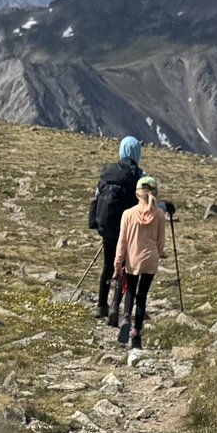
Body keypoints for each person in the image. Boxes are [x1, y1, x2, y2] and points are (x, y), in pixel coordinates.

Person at [112, 175, 173, 351]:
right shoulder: (160, 215)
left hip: (132, 258)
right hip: (150, 259)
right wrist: (157, 254)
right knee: (142, 295)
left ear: (137, 194)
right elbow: (161, 242)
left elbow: (122, 242)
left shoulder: (128, 214)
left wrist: (118, 264)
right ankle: (136, 335)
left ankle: (125, 319)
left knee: (130, 290)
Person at [87, 136, 145, 321]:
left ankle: (101, 305)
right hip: (128, 230)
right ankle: (114, 306)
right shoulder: (139, 176)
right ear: (136, 152)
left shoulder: (107, 173)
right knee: (124, 268)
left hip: (108, 227)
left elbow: (97, 197)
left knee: (107, 265)